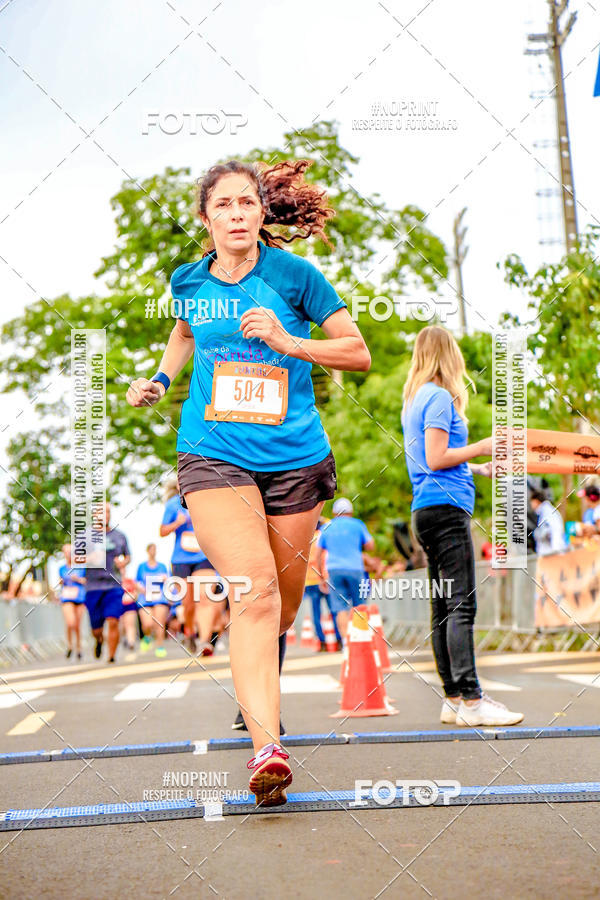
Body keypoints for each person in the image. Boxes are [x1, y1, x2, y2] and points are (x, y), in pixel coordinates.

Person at [126, 158, 370, 806]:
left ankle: (261, 680)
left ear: (263, 213)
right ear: (205, 218)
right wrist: (161, 378)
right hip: (213, 453)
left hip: (293, 457)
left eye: (247, 203)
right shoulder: (187, 279)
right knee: (254, 594)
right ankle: (267, 748)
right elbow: (183, 331)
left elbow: (357, 351)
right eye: (224, 205)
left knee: (280, 608)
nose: (237, 213)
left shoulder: (296, 276)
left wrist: (291, 342)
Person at [401, 325, 523, 727]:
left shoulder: (415, 399)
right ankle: (472, 700)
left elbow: (431, 459)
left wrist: (475, 466)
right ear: (447, 355)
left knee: (441, 609)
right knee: (461, 606)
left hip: (427, 510)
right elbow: (437, 458)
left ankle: (453, 698)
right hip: (447, 509)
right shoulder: (437, 396)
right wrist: (484, 445)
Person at [159, 478, 225, 656]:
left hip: (203, 555)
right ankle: (189, 631)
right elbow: (162, 531)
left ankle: (205, 641)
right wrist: (177, 523)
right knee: (188, 604)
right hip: (181, 560)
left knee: (205, 597)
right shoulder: (173, 504)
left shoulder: (205, 499)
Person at [316, 498, 375, 640]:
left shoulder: (327, 527)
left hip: (334, 571)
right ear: (351, 512)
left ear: (335, 512)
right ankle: (361, 639)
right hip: (355, 569)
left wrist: (321, 577)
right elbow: (370, 546)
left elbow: (318, 554)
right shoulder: (357, 525)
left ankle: (346, 643)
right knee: (360, 605)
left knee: (340, 607)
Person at [84, 502, 131, 664]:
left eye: (108, 512)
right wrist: (90, 558)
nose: (106, 515)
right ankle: (98, 640)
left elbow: (128, 556)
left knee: (113, 620)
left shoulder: (119, 536)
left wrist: (123, 563)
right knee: (96, 628)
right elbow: (75, 559)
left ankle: (111, 656)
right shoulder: (86, 535)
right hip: (93, 587)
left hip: (114, 585)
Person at [303, 516, 342, 651]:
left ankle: (322, 642)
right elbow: (330, 523)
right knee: (333, 610)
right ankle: (339, 640)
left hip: (310, 580)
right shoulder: (324, 536)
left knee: (316, 612)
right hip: (325, 579)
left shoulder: (305, 539)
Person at [136, 543, 170, 658]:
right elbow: (137, 582)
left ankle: (160, 646)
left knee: (159, 623)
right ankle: (147, 636)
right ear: (147, 551)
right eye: (151, 549)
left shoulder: (162, 566)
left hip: (160, 598)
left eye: (155, 549)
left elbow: (168, 581)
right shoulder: (141, 566)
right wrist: (141, 589)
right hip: (146, 598)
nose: (153, 552)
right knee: (147, 624)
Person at [58, 544, 86, 659]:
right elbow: (60, 581)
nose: (69, 554)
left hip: (79, 597)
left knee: (77, 625)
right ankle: (69, 645)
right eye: (66, 552)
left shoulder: (81, 567)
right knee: (70, 622)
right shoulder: (62, 569)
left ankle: (78, 647)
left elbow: (86, 581)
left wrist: (77, 579)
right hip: (67, 597)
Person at [530, 490, 568, 557]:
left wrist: (556, 550)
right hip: (547, 552)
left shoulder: (548, 511)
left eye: (532, 502)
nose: (531, 505)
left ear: (536, 501)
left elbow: (556, 529)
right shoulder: (542, 512)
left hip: (552, 553)